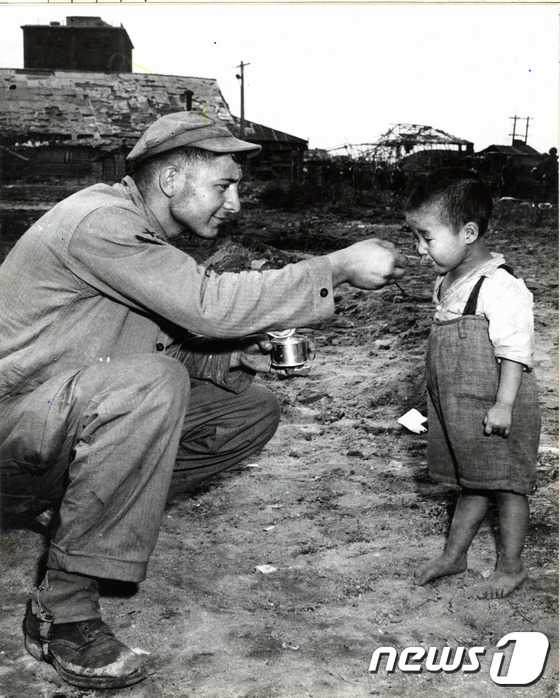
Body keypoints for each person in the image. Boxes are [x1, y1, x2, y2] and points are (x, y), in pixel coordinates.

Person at [0, 111, 406, 689]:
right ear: (170, 181)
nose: (236, 202)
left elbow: (132, 343)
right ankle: (61, 613)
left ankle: (81, 514)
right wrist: (335, 267)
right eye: (224, 184)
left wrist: (228, 360)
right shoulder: (99, 222)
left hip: (48, 425)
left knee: (248, 410)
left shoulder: (142, 234)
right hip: (11, 430)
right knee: (152, 385)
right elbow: (206, 308)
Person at [404, 168, 541, 600]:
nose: (419, 248)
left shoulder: (502, 286)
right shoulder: (447, 281)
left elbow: (515, 351)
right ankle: (455, 554)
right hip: (460, 404)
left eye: (426, 237)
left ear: (467, 232)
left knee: (506, 485)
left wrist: (503, 405)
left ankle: (511, 565)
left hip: (498, 402)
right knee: (473, 481)